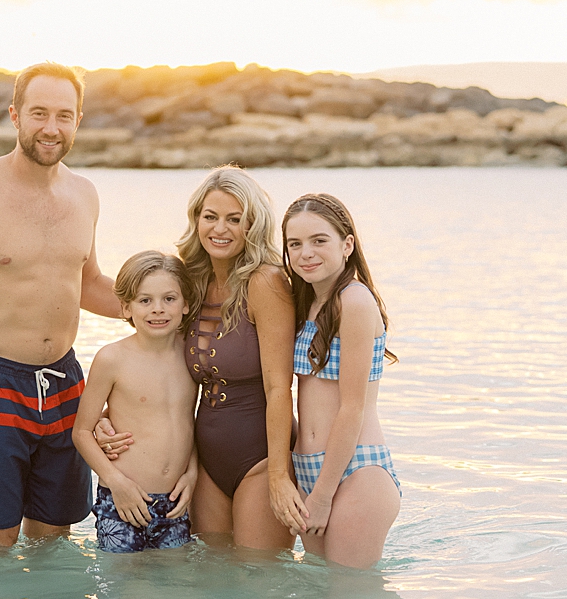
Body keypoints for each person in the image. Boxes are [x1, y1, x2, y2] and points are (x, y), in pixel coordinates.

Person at [0, 61, 123, 548]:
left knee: (55, 536)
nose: (51, 128)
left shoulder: (84, 195)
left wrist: (169, 307)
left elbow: (89, 283)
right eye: (39, 113)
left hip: (65, 384)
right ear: (15, 115)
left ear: (78, 120)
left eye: (64, 116)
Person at [171, 166, 304, 548]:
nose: (220, 229)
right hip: (207, 461)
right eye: (210, 217)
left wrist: (279, 475)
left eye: (234, 219)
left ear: (252, 224)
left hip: (260, 459)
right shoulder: (192, 281)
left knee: (259, 587)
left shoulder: (266, 281)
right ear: (196, 220)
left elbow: (280, 387)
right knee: (212, 586)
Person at [281, 193, 401, 569]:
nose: (306, 253)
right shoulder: (307, 303)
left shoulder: (356, 302)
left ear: (347, 244)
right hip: (309, 468)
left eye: (319, 241)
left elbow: (352, 407)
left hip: (354, 471)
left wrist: (322, 495)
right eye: (294, 244)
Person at [73, 251, 200, 553]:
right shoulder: (112, 358)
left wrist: (192, 474)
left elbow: (190, 422)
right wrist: (116, 482)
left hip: (175, 501)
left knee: (177, 589)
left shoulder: (192, 356)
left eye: (169, 299)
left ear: (186, 305)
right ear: (126, 308)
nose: (158, 310)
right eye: (145, 301)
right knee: (125, 594)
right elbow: (81, 432)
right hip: (123, 499)